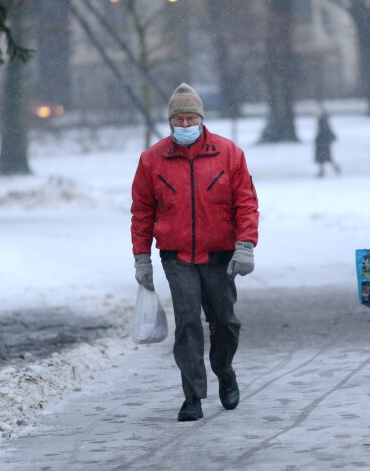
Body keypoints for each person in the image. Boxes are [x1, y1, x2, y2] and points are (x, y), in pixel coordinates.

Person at [130, 83, 259, 421]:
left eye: (191, 118)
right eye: (179, 119)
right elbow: (142, 211)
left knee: (225, 322)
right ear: (171, 122)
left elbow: (246, 202)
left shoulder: (229, 154)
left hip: (220, 255)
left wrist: (245, 245)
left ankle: (225, 370)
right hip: (177, 255)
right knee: (187, 324)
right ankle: (193, 397)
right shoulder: (152, 159)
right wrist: (141, 257)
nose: (185, 125)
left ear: (202, 119)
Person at [314, 108, 340, 177]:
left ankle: (323, 171)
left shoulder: (322, 120)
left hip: (323, 142)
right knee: (326, 158)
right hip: (323, 141)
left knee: (325, 157)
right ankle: (323, 171)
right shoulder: (323, 120)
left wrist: (320, 139)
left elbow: (324, 131)